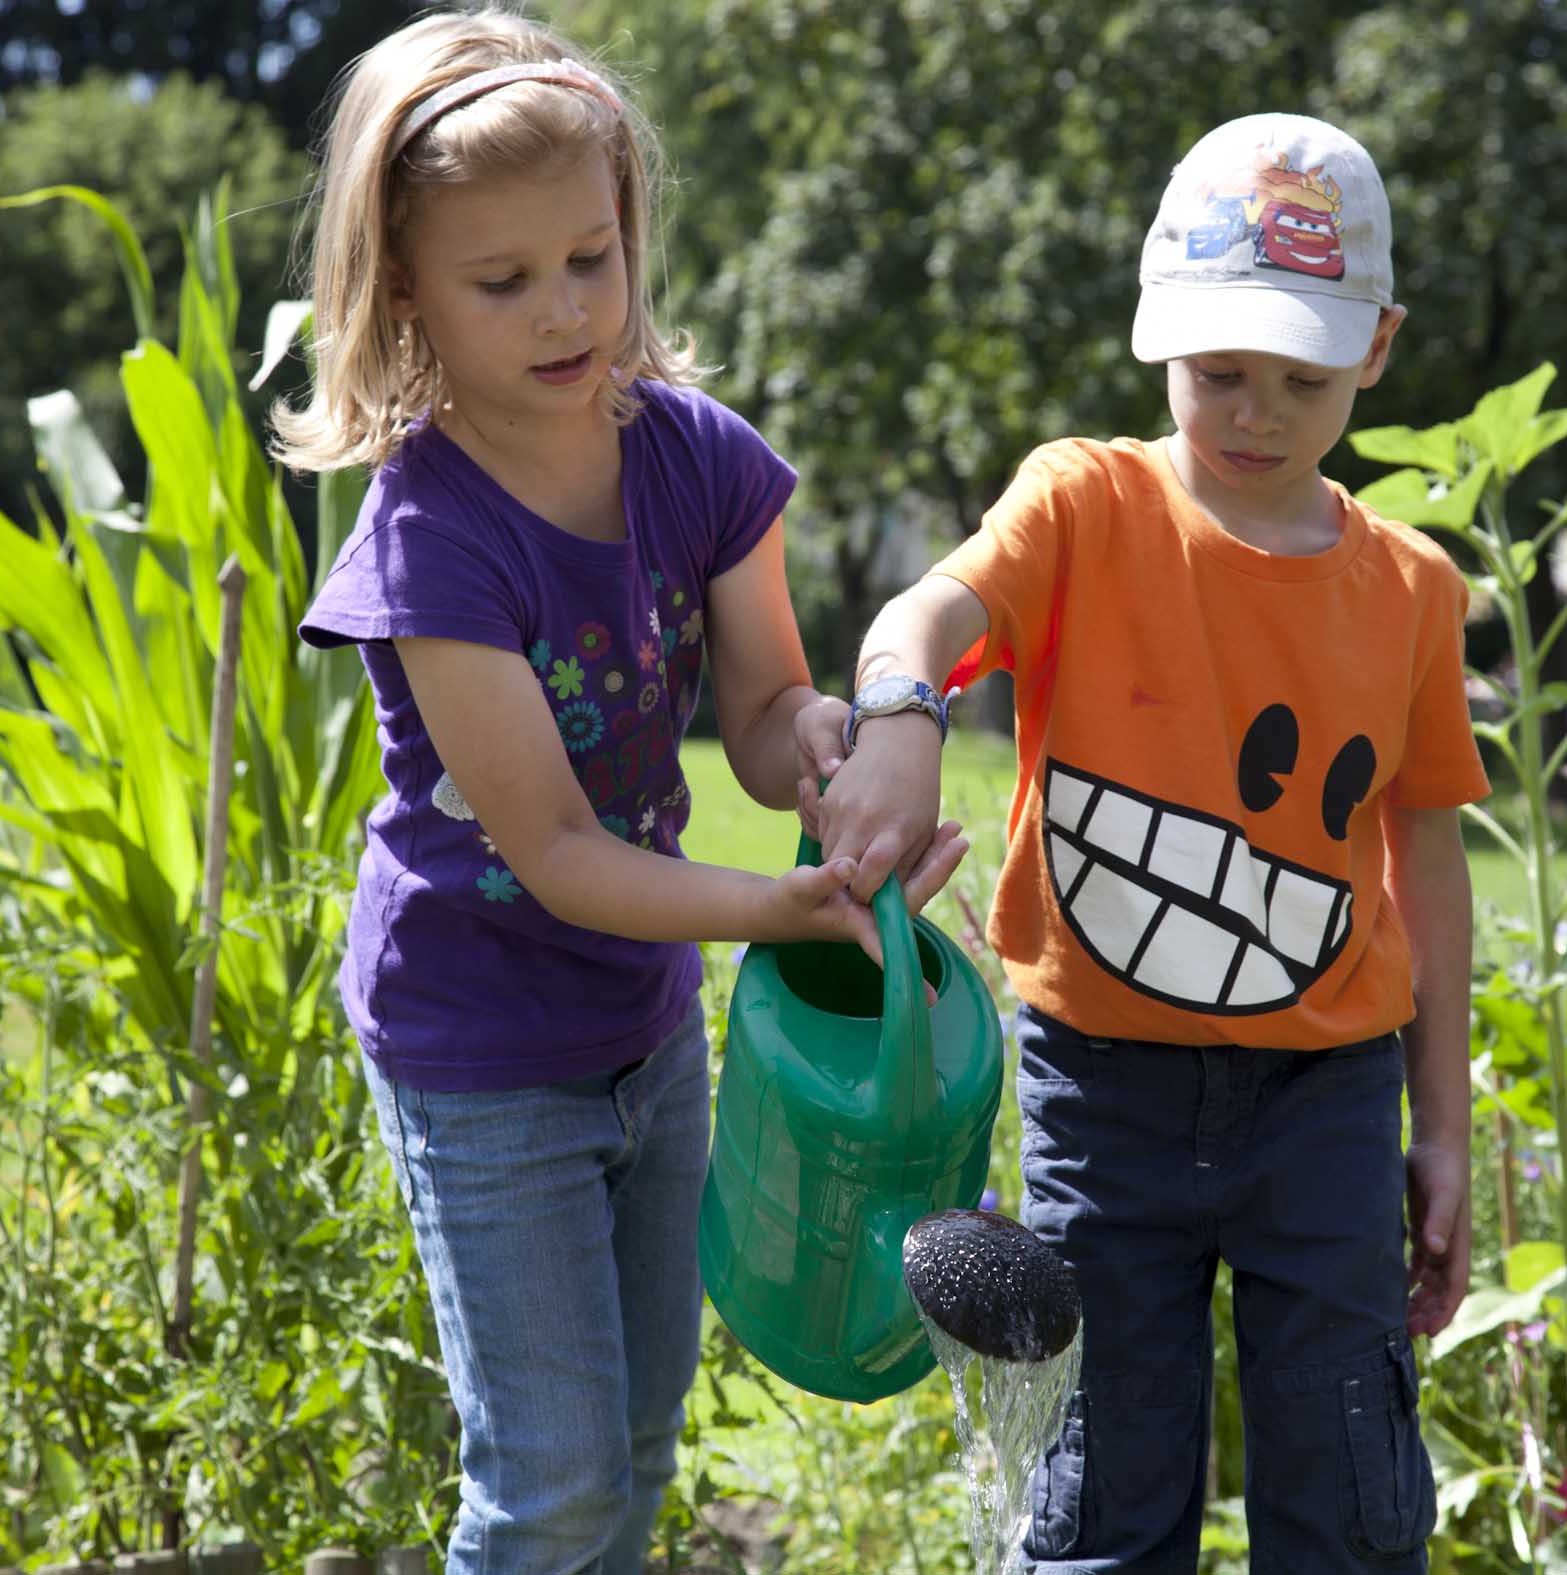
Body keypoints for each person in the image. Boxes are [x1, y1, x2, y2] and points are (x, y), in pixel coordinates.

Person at [272, 9, 964, 1572]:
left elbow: (765, 705)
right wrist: (782, 909)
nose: (564, 308)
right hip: (479, 1045)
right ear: (404, 297)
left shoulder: (698, 458)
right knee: (553, 1483)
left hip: (642, 1030)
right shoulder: (427, 543)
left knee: (636, 1453)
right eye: (500, 280)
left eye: (591, 256)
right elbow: (561, 847)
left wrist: (839, 773)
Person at [808, 114, 1485, 1573]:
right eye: (1213, 373)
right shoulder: (1084, 504)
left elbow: (1426, 867)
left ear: (1376, 350)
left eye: (1299, 379)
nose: (1250, 413)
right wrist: (901, 713)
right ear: (1153, 336)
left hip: (1326, 1102)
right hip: (1099, 1092)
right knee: (1099, 1493)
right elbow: (923, 617)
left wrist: (1443, 1131)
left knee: (1349, 1499)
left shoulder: (1414, 590)